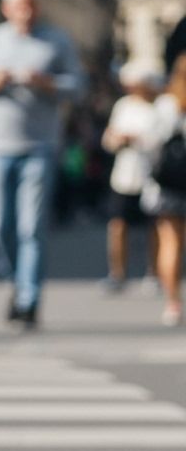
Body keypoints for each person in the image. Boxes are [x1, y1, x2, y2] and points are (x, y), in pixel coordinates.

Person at [0, 0, 83, 327]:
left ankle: (29, 299)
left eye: (30, 6)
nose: (25, 13)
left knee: (32, 227)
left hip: (41, 147)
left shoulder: (57, 40)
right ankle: (17, 284)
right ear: (6, 8)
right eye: (18, 6)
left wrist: (48, 83)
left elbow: (79, 86)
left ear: (38, 7)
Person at [100, 61, 163, 292]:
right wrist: (116, 139)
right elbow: (108, 138)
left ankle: (154, 272)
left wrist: (137, 139)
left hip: (151, 176)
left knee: (154, 226)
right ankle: (117, 272)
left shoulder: (158, 107)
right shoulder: (123, 106)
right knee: (118, 225)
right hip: (124, 176)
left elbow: (161, 140)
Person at [142, 53, 186, 326]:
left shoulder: (166, 105)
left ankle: (173, 303)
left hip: (168, 184)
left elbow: (151, 144)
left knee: (169, 243)